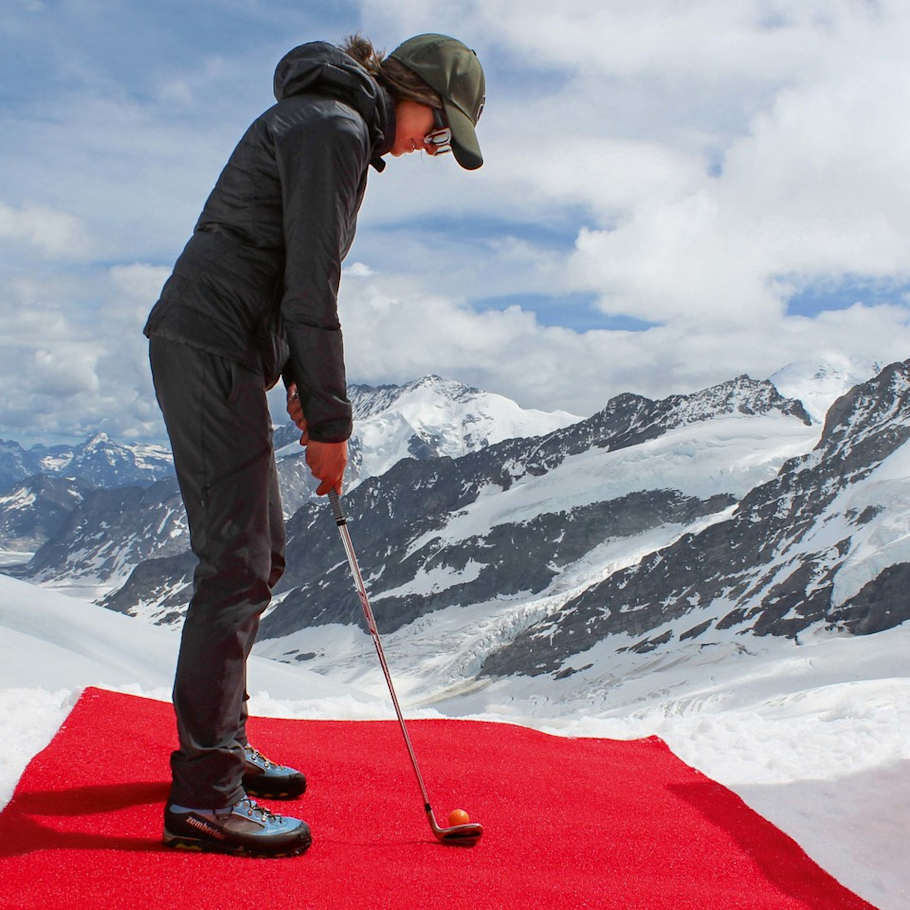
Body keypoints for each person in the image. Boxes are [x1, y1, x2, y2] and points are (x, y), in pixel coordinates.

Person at [144, 33, 485, 857]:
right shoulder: (332, 130)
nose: (425, 148)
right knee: (237, 562)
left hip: (221, 345)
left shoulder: (327, 122)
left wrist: (299, 384)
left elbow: (291, 271)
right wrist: (329, 423)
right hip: (212, 346)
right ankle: (205, 798)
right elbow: (311, 287)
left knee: (255, 560)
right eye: (436, 130)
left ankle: (219, 749)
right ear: (410, 94)